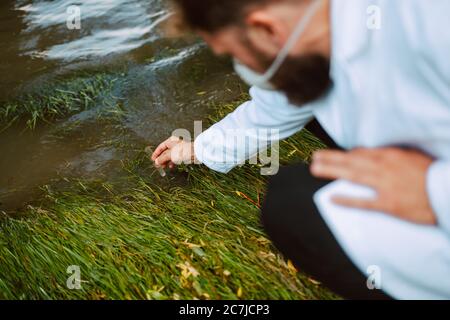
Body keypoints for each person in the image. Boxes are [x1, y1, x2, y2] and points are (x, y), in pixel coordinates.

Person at [151, 0, 450, 299]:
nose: (239, 65)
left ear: (265, 27)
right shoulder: (316, 39)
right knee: (300, 85)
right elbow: (275, 108)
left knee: (292, 203)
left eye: (231, 54)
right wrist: (196, 150)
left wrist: (431, 189)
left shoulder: (427, 17)